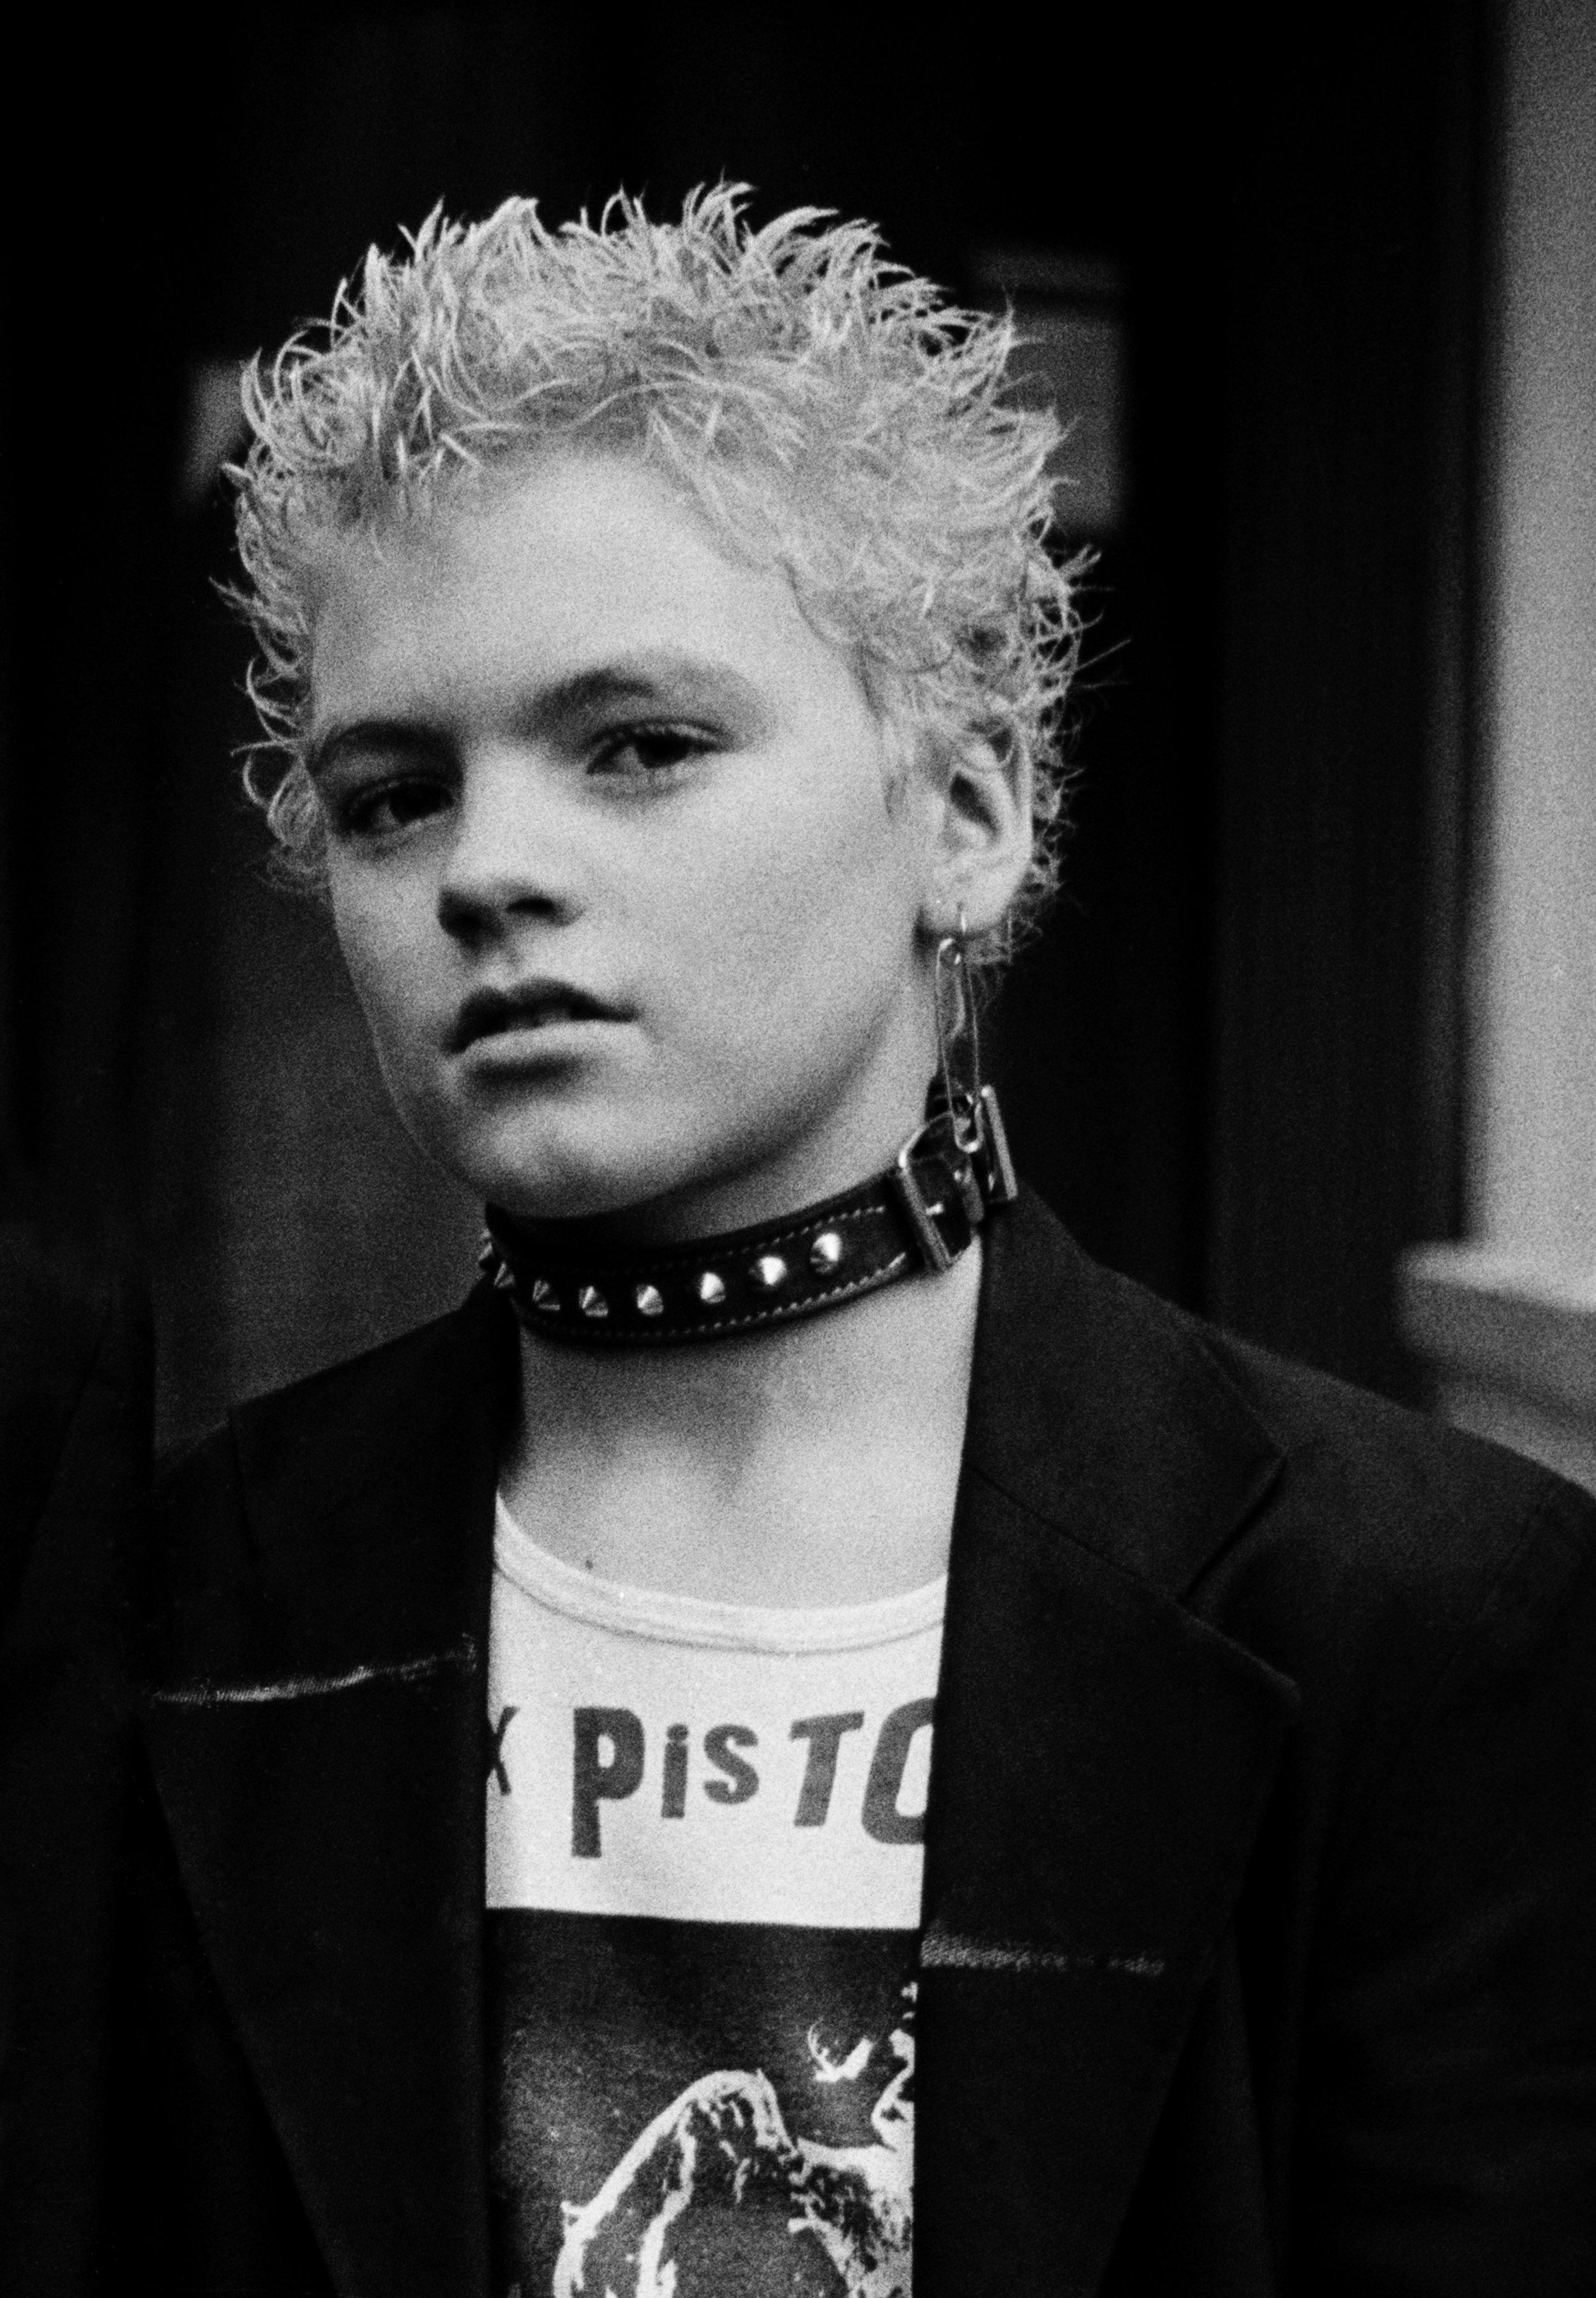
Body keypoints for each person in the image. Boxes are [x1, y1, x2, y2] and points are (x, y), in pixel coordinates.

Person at [102, 188, 1596, 2296]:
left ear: (967, 809)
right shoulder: (180, 1599)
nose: (486, 873)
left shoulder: (1417, 1611)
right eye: (389, 794)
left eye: (640, 746)